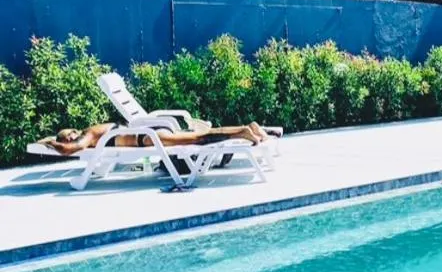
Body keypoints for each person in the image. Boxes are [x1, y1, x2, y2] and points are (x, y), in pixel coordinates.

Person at [39, 122, 276, 156]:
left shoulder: (88, 134)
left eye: (68, 135)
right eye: (66, 138)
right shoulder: (92, 131)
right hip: (149, 132)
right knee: (197, 137)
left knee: (198, 138)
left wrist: (51, 142)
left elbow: (70, 150)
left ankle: (243, 131)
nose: (70, 138)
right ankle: (248, 127)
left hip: (149, 138)